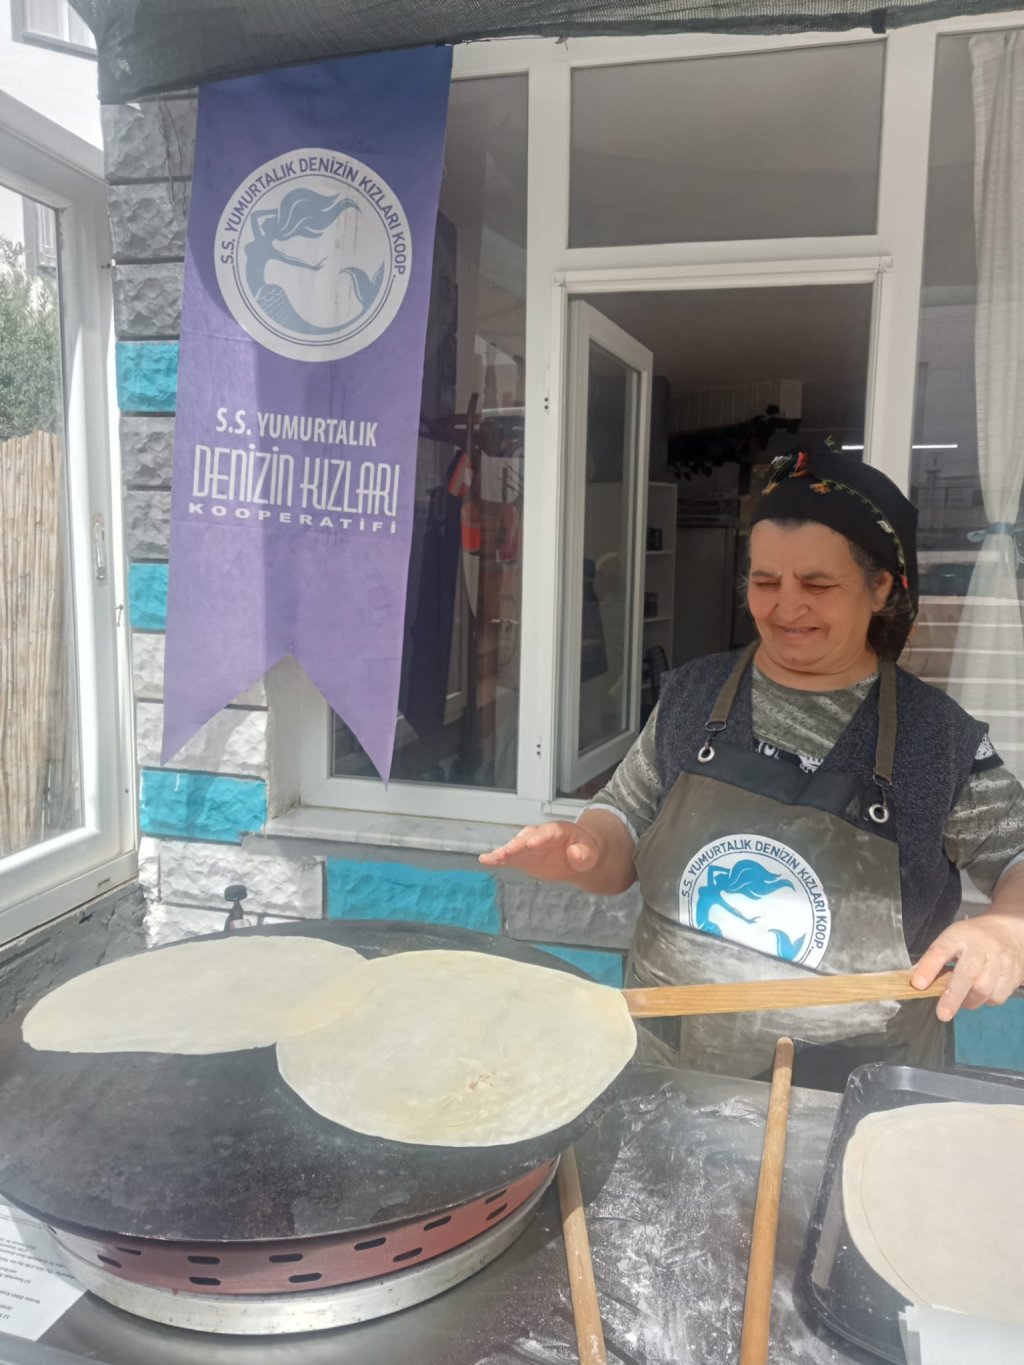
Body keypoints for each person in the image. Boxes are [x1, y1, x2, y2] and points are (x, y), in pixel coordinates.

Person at [481, 450, 1024, 1078]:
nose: (786, 607)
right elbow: (622, 824)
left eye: (817, 585)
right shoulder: (693, 696)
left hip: (849, 1087)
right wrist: (586, 849)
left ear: (880, 588)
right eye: (765, 582)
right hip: (668, 1067)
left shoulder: (935, 738)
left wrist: (1006, 929)